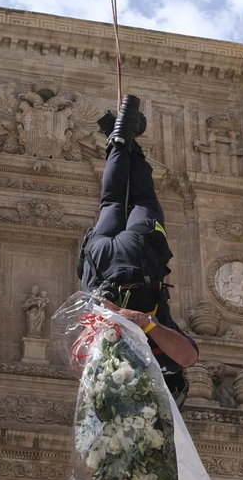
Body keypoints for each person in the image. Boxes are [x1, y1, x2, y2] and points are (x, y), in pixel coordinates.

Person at [76, 94, 199, 403]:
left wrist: (140, 321)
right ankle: (120, 138)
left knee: (143, 200)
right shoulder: (109, 364)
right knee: (111, 201)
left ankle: (123, 137)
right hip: (99, 259)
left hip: (133, 261)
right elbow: (79, 353)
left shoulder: (163, 362)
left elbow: (188, 357)